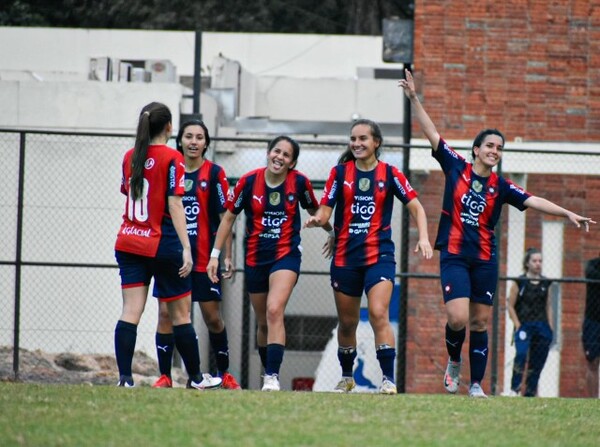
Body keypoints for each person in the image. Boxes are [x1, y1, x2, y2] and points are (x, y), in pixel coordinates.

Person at [399, 69, 595, 398]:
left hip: (485, 260)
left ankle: (476, 385)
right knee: (458, 317)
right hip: (455, 256)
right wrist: (414, 98)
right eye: (489, 145)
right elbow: (432, 133)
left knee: (479, 323)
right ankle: (453, 361)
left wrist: (567, 212)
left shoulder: (501, 186)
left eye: (499, 148)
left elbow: (534, 200)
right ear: (476, 150)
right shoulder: (455, 167)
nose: (495, 150)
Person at [304, 118, 433, 395]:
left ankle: (388, 379)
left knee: (377, 313)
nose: (357, 143)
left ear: (376, 142)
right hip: (345, 259)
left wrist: (423, 237)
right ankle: (347, 376)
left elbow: (417, 208)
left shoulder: (390, 174)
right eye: (353, 139)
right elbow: (326, 211)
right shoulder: (340, 173)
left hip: (380, 256)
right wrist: (318, 220)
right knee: (348, 322)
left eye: (363, 138)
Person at [207, 135, 333, 391]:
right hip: (255, 258)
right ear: (268, 153)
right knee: (263, 320)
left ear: (292, 162)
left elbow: (316, 211)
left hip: (286, 255)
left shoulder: (299, 183)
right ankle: (268, 370)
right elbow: (228, 219)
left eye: (286, 155)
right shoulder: (248, 181)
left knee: (275, 310)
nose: (280, 157)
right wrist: (215, 255)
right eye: (277, 151)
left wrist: (331, 230)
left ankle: (272, 377)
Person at [113, 102, 221, 389]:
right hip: (162, 244)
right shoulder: (174, 158)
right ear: (170, 127)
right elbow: (175, 203)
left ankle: (125, 379)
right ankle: (196, 378)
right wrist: (187, 247)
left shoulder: (130, 156)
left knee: (130, 312)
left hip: (128, 240)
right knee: (180, 314)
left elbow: (129, 192)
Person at [152, 120, 240, 390]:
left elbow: (225, 217)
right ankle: (165, 376)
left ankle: (223, 373)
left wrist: (226, 255)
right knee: (166, 315)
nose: (193, 141)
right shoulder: (169, 169)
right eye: (188, 136)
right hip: (172, 258)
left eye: (199, 137)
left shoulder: (214, 173)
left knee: (212, 317)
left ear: (206, 143)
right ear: (179, 140)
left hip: (204, 259)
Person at [506, 248, 554, 397]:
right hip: (525, 325)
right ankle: (515, 388)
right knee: (521, 355)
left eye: (540, 261)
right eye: (534, 261)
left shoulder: (546, 283)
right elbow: (510, 305)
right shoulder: (519, 282)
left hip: (541, 325)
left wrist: (550, 327)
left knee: (538, 360)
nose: (538, 264)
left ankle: (531, 392)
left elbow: (548, 306)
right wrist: (517, 324)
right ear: (527, 263)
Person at [583, 253, 600, 398]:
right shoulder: (592, 265)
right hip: (593, 321)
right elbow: (591, 274)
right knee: (592, 362)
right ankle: (593, 400)